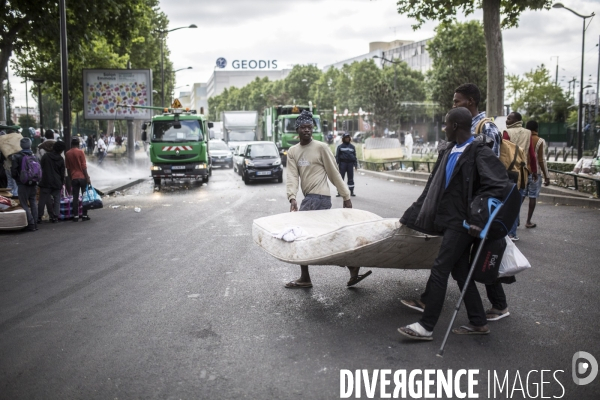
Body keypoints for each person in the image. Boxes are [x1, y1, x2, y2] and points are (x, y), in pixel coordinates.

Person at [398, 108, 508, 341]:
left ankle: (426, 326)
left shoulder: (478, 151)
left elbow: (498, 183)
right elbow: (432, 188)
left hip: (463, 223)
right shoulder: (449, 150)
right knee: (460, 271)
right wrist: (410, 215)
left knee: (440, 269)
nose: (444, 128)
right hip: (448, 220)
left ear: (456, 126)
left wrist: (477, 217)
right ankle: (478, 321)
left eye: (446, 124)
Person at [285, 110, 371, 288]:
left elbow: (334, 173)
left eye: (310, 127)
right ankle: (352, 265)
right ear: (297, 130)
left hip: (320, 198)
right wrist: (292, 197)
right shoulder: (293, 151)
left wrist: (346, 196)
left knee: (301, 235)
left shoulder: (321, 147)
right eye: (303, 127)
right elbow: (292, 176)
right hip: (309, 198)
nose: (307, 130)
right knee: (324, 237)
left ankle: (305, 278)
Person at [503, 112, 537, 241]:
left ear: (516, 120)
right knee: (516, 201)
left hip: (509, 171)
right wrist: (533, 170)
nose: (507, 120)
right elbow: (532, 154)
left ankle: (507, 231)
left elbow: (504, 152)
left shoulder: (507, 132)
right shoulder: (528, 133)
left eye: (509, 118)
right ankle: (513, 233)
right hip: (523, 171)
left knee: (506, 201)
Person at [453, 83, 502, 156]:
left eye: (457, 102)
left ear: (470, 101)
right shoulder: (462, 125)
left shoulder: (487, 127)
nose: (454, 106)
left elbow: (491, 163)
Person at [523, 120, 550, 229]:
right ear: (537, 129)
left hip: (524, 171)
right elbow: (541, 160)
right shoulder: (540, 141)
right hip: (535, 173)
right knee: (532, 197)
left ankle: (515, 220)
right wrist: (547, 176)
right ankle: (528, 221)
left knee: (521, 195)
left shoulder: (524, 139)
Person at [11, 138, 40, 231]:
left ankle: (30, 223)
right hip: (34, 183)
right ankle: (35, 223)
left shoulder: (16, 156)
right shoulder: (34, 156)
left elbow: (14, 172)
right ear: (30, 145)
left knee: (24, 204)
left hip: (22, 184)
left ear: (21, 145)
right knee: (33, 203)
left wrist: (18, 180)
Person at [38, 141, 66, 223]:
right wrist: (62, 182)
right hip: (57, 182)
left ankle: (39, 216)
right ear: (61, 151)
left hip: (45, 181)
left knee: (43, 200)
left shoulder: (46, 156)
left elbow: (41, 167)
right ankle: (55, 216)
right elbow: (62, 173)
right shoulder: (61, 159)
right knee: (57, 199)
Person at [65, 137, 91, 222]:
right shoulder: (81, 152)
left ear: (71, 144)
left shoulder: (67, 153)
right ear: (78, 144)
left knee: (75, 197)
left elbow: (68, 168)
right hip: (82, 177)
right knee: (84, 197)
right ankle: (84, 215)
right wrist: (87, 177)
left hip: (74, 178)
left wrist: (70, 179)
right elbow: (84, 166)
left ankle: (75, 216)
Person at [335, 133, 358, 197]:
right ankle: (339, 192)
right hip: (343, 164)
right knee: (340, 178)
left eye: (348, 137)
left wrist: (355, 165)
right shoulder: (340, 147)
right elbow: (337, 157)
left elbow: (354, 156)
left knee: (350, 178)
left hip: (350, 164)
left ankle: (351, 191)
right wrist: (336, 165)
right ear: (343, 139)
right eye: (346, 138)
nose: (347, 139)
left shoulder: (352, 147)